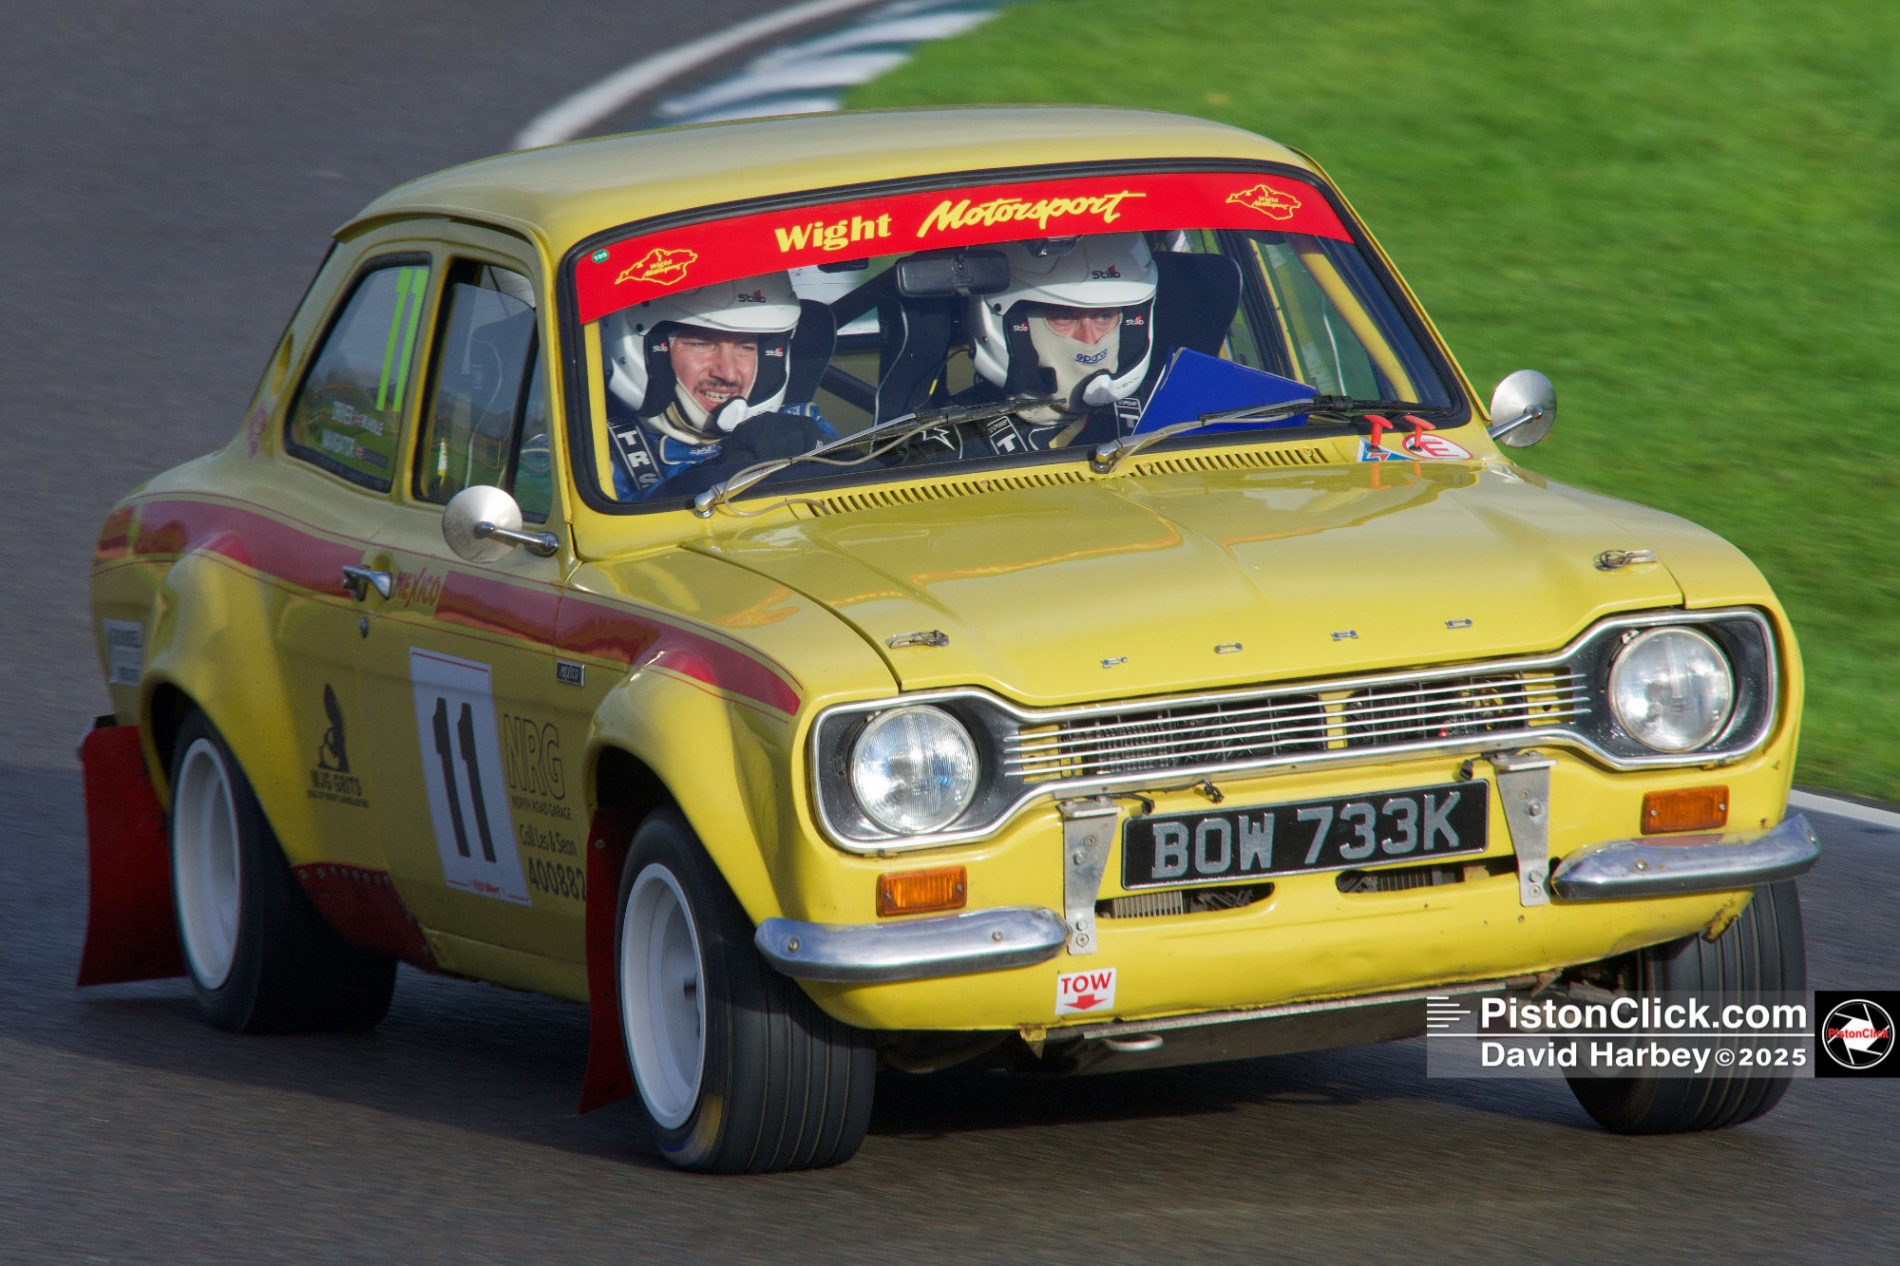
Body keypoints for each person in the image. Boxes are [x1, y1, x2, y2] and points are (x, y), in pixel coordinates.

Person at [911, 233, 1158, 459]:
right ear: (1014, 327)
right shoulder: (951, 444)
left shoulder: (1173, 415)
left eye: (1104, 316)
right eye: (1064, 317)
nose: (1089, 339)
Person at [603, 272, 828, 498]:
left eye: (746, 347)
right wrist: (721, 471)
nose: (728, 373)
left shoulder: (798, 425)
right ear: (653, 353)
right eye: (701, 344)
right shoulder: (600, 451)